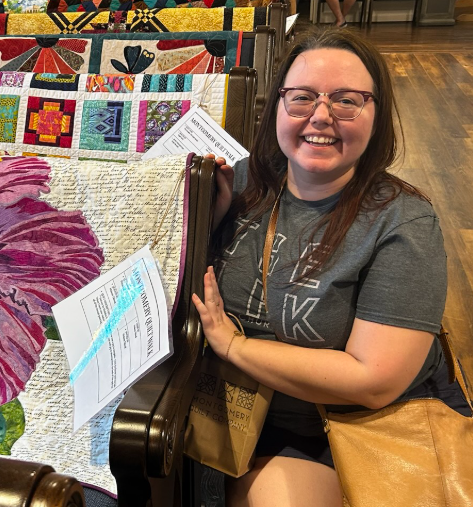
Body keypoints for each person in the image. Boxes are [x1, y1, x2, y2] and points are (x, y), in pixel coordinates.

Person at [193, 28, 472, 507]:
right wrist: (207, 222)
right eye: (301, 98)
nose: (320, 116)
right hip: (229, 411)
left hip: (351, 429)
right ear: (277, 107)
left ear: (376, 115)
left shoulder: (402, 221)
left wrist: (235, 346)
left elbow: (373, 381)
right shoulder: (238, 185)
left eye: (346, 100)